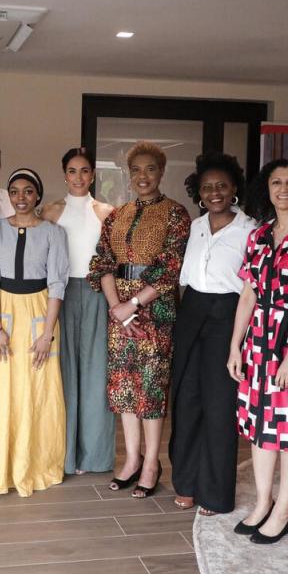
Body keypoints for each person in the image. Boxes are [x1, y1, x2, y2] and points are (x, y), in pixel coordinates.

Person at [88, 141, 191, 499]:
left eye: (150, 169)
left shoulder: (176, 214)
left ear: (161, 172)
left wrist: (133, 304)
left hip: (155, 308)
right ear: (127, 174)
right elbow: (102, 262)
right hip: (119, 310)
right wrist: (118, 307)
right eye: (136, 170)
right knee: (123, 386)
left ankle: (152, 463)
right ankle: (131, 459)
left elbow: (170, 269)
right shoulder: (117, 214)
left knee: (150, 386)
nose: (142, 176)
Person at [227, 157, 288, 543]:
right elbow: (248, 294)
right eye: (276, 182)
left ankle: (284, 510)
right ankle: (263, 501)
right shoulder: (259, 235)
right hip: (257, 340)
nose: (283, 189)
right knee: (260, 427)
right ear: (267, 188)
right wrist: (235, 345)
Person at [0, 168, 69, 496]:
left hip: (40, 314)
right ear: (7, 195)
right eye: (14, 191)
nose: (21, 197)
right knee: (0, 393)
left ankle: (33, 464)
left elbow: (57, 284)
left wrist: (47, 333)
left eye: (28, 191)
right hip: (4, 315)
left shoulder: (54, 233)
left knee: (36, 392)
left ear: (37, 195)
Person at [170, 153, 255, 515]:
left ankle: (216, 492)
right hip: (192, 313)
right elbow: (183, 278)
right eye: (207, 187)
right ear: (198, 193)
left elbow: (251, 287)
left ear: (234, 188)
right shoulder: (196, 226)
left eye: (222, 185)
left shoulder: (251, 229)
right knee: (186, 401)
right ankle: (186, 483)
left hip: (228, 315)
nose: (215, 192)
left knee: (219, 406)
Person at [41, 147, 115, 475]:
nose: (79, 177)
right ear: (64, 174)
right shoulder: (51, 212)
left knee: (96, 371)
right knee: (64, 371)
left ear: (93, 175)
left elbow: (114, 259)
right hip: (61, 292)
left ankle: (94, 457)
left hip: (98, 291)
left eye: (85, 171)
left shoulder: (107, 212)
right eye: (72, 171)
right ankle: (65, 455)